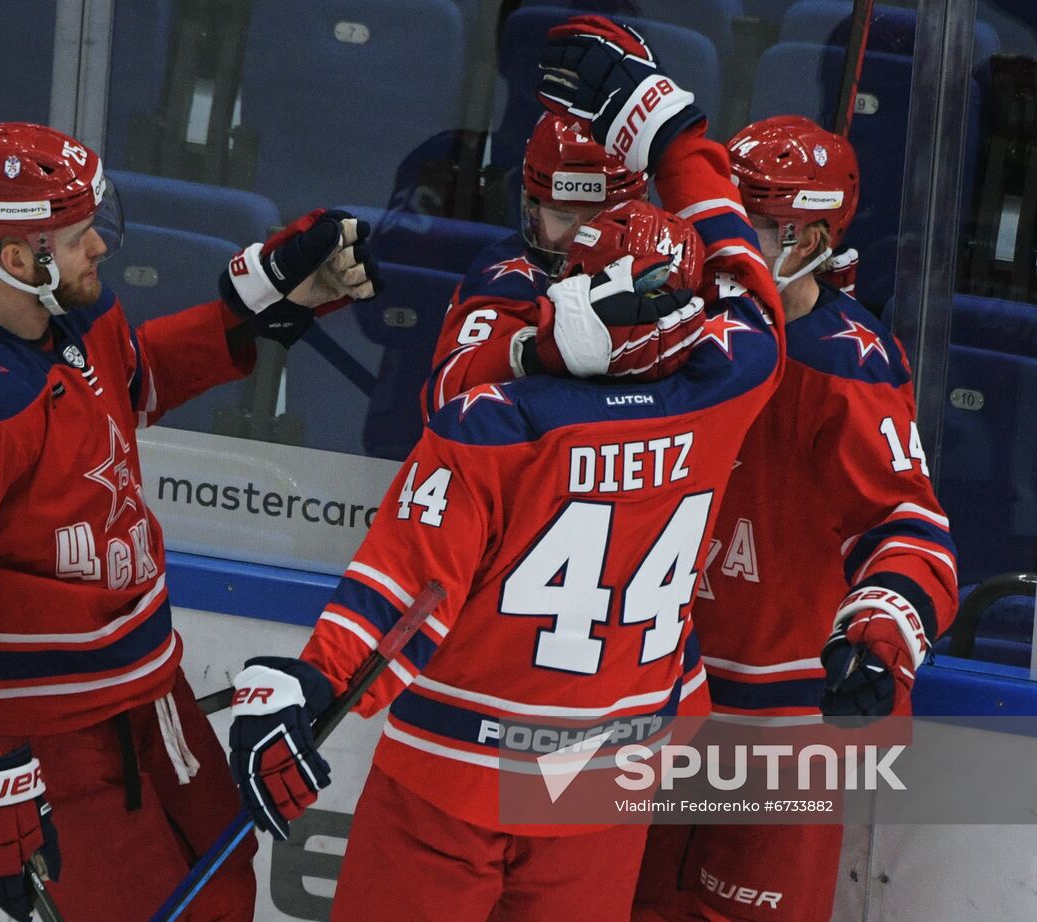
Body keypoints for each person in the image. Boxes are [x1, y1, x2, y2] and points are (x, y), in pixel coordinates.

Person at [225, 17, 791, 916]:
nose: (573, 240)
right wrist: (674, 127)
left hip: (473, 744)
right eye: (559, 213)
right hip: (610, 756)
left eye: (598, 217)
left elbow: (416, 553)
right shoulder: (726, 373)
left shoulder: (503, 422)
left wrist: (318, 676)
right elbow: (744, 285)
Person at [0, 121, 379, 922]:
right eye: (78, 239)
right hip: (55, 735)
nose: (100, 250)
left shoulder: (76, 318)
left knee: (222, 885)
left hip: (152, 693)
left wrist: (254, 309)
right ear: (13, 258)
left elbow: (135, 380)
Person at [630, 117, 961, 922]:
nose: (726, 247)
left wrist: (879, 640)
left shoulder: (846, 365)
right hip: (652, 700)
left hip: (779, 727)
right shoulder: (667, 327)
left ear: (813, 235)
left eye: (756, 226)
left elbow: (907, 526)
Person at [420, 111, 649, 419]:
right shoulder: (507, 274)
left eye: (600, 218)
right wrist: (535, 352)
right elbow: (443, 402)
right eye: (562, 216)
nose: (580, 238)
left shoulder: (670, 263)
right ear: (534, 209)